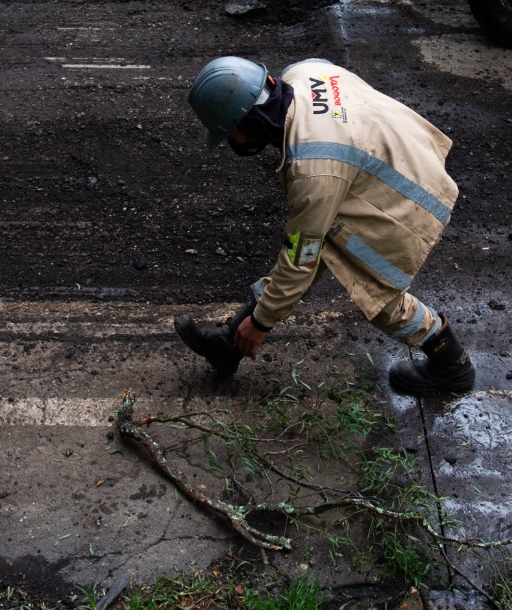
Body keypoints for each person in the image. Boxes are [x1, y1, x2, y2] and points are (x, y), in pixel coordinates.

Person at [175, 56, 475, 396]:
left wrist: (261, 324)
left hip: (409, 199)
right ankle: (229, 345)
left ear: (249, 121)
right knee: (309, 246)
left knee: (376, 294)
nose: (233, 143)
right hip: (405, 154)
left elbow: (302, 256)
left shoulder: (314, 169)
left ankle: (451, 363)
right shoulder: (304, 73)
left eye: (231, 133)